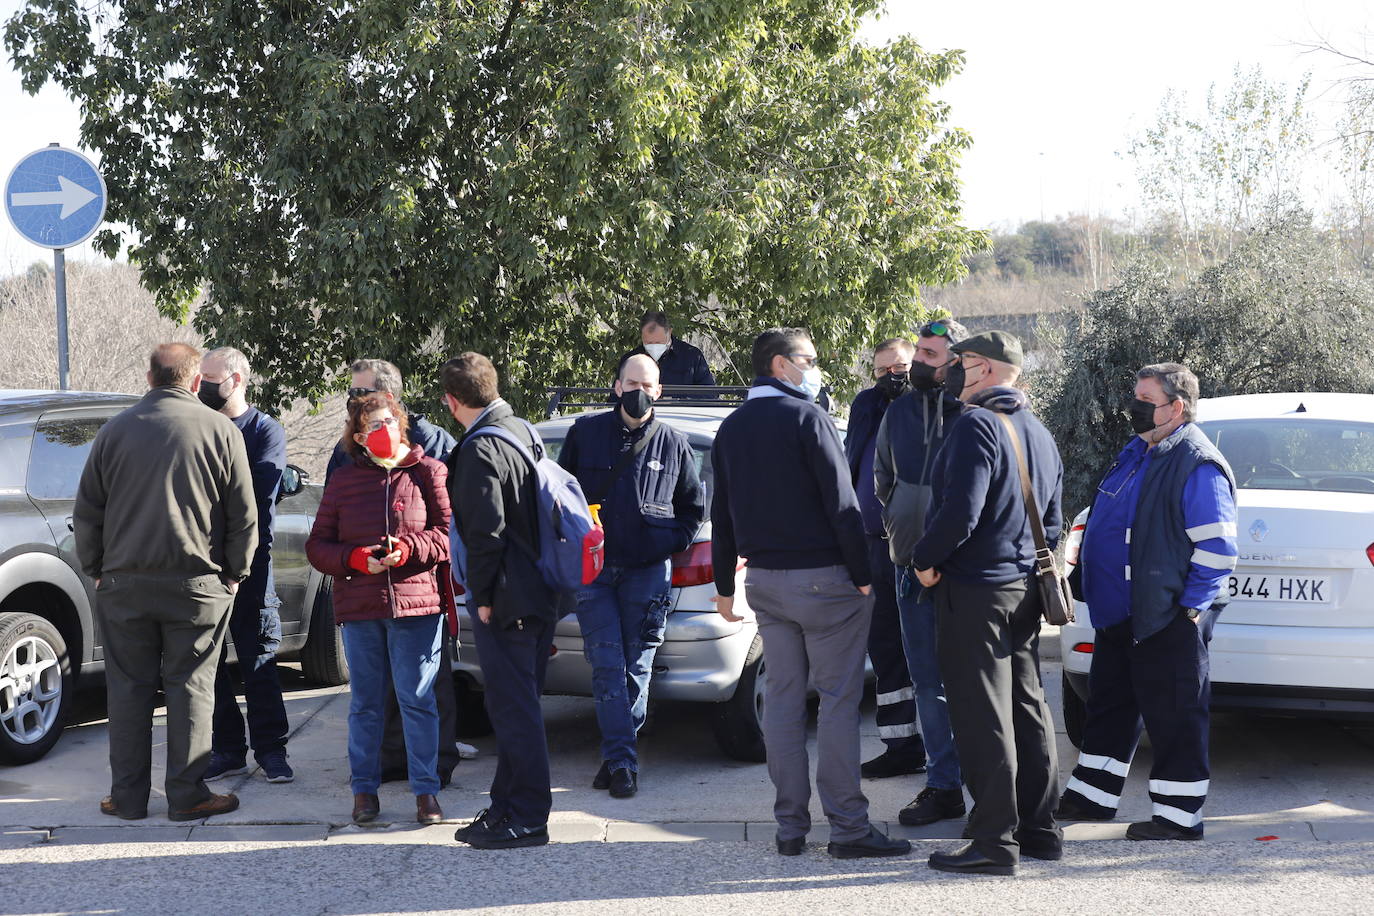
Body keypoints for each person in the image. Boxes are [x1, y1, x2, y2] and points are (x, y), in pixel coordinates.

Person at [711, 328, 910, 860]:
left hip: (765, 584)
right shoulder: (809, 418)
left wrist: (723, 586)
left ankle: (790, 828)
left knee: (782, 701)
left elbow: (722, 511)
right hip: (825, 581)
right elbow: (843, 504)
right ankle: (848, 829)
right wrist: (864, 574)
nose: (816, 369)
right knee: (839, 702)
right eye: (810, 360)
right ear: (781, 366)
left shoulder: (732, 427)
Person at [74, 343, 257, 822]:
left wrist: (95, 567)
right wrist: (235, 573)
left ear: (149, 377)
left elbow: (88, 510)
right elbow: (243, 514)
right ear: (196, 382)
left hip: (123, 584)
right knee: (192, 688)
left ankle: (128, 798)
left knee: (129, 690)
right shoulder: (221, 430)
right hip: (198, 586)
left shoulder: (113, 431)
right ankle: (187, 793)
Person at [1056, 363, 1237, 841]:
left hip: (1164, 619)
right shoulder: (1139, 450)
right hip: (1121, 616)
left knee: (1176, 716)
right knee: (1110, 708)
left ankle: (1179, 818)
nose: (1133, 409)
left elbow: (1218, 550)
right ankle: (1091, 798)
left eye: (1144, 401)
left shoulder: (1197, 463)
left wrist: (1188, 611)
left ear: (1176, 408)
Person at [910, 330, 1063, 877]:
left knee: (982, 715)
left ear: (990, 370)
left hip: (975, 591)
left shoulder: (976, 424)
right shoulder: (1038, 431)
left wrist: (923, 559)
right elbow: (1052, 522)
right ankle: (1039, 829)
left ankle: (995, 841)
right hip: (1021, 589)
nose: (954, 371)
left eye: (965, 362)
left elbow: (960, 511)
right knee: (1026, 707)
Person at [558, 354, 706, 798]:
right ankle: (623, 760)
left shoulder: (675, 443)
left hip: (647, 574)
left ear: (659, 391)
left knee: (636, 667)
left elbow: (692, 511)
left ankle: (616, 754)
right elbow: (560, 498)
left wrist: (667, 544)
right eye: (632, 382)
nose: (640, 391)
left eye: (649, 384)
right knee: (605, 665)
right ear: (617, 385)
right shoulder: (585, 433)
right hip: (595, 573)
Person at [305, 394, 452, 826]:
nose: (382, 430)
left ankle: (427, 793)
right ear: (358, 437)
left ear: (401, 424)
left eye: (388, 421)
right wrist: (354, 559)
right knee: (365, 704)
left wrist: (407, 550)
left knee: (418, 701)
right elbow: (318, 547)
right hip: (361, 606)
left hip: (417, 606)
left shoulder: (429, 471)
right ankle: (364, 793)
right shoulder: (345, 481)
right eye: (372, 425)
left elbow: (446, 536)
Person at [326, 358, 463, 786]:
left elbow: (448, 526)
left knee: (426, 690)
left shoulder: (433, 448)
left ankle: (436, 768)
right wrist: (352, 556)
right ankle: (385, 765)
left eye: (358, 392)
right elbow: (329, 528)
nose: (352, 400)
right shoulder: (346, 452)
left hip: (420, 593)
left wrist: (408, 549)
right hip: (364, 595)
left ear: (386, 397)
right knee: (373, 695)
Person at [443, 352, 559, 850]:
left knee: (515, 711)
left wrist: (483, 597)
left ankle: (529, 817)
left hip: (508, 599)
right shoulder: (522, 430)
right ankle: (505, 806)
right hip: (540, 590)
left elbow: (486, 534)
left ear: (451, 401)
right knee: (517, 706)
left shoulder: (478, 451)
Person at [874, 317, 968, 826]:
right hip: (909, 568)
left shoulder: (974, 414)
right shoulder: (900, 411)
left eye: (931, 355)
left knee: (976, 684)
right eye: (920, 352)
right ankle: (943, 784)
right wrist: (904, 523)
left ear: (956, 362)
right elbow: (882, 478)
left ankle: (993, 787)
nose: (918, 364)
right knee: (927, 683)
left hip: (967, 574)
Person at [197, 346, 293, 785]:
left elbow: (256, 498)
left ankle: (271, 751)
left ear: (235, 380)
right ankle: (228, 749)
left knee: (258, 661)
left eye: (210, 379)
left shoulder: (264, 430)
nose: (202, 387)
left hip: (252, 565)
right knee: (209, 663)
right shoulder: (197, 427)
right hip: (202, 565)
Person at [843, 338, 927, 779]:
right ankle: (900, 746)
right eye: (882, 370)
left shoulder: (931, 409)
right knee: (886, 649)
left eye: (901, 366)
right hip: (873, 546)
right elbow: (850, 467)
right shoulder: (866, 406)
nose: (892, 375)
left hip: (918, 549)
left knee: (925, 651)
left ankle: (939, 748)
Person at [614, 310, 716, 387]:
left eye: (658, 342)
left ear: (669, 332)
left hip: (680, 414)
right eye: (649, 343)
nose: (654, 346)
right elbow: (615, 399)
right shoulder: (630, 361)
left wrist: (679, 402)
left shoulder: (692, 357)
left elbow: (709, 394)